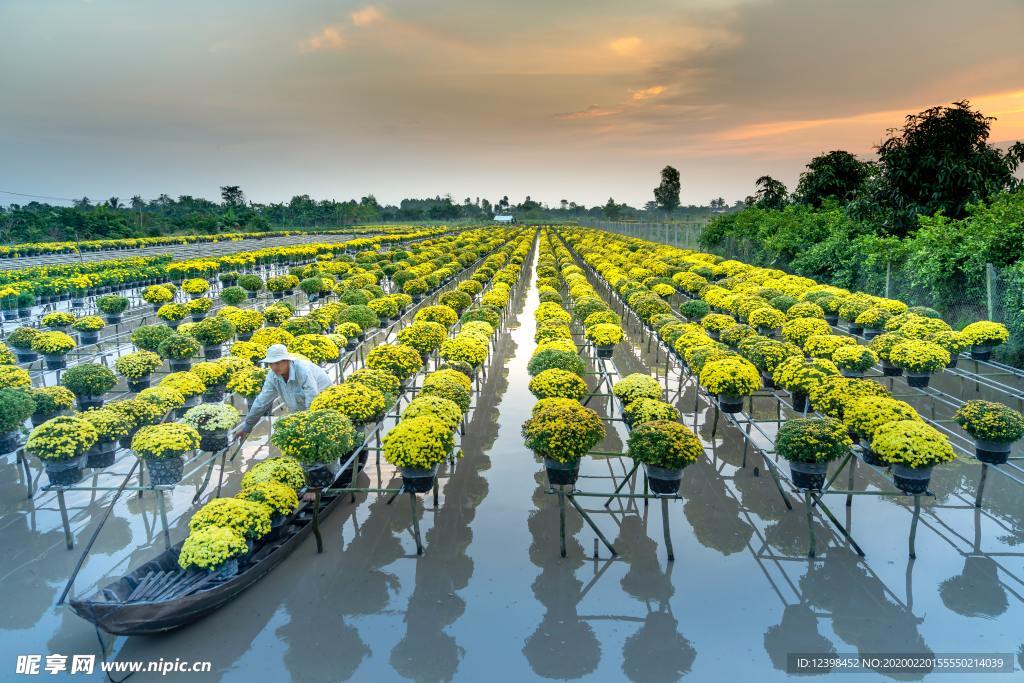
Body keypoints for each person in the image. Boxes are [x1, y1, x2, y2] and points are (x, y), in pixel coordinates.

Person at [232, 344, 333, 442]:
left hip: (324, 404)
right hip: (301, 409)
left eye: (277, 363)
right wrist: (246, 427)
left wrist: (307, 425)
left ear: (287, 361)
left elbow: (312, 399)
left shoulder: (303, 371)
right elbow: (261, 402)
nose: (274, 367)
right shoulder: (272, 376)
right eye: (271, 364)